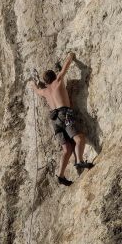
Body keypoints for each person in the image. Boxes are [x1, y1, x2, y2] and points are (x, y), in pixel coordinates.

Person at [29, 51, 94, 186]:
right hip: (65, 115)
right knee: (79, 138)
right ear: (54, 76)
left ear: (45, 82)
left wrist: (34, 83)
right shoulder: (58, 81)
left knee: (67, 149)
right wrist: (70, 56)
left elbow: (36, 89)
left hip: (54, 120)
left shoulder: (45, 91)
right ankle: (80, 161)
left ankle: (60, 175)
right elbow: (65, 67)